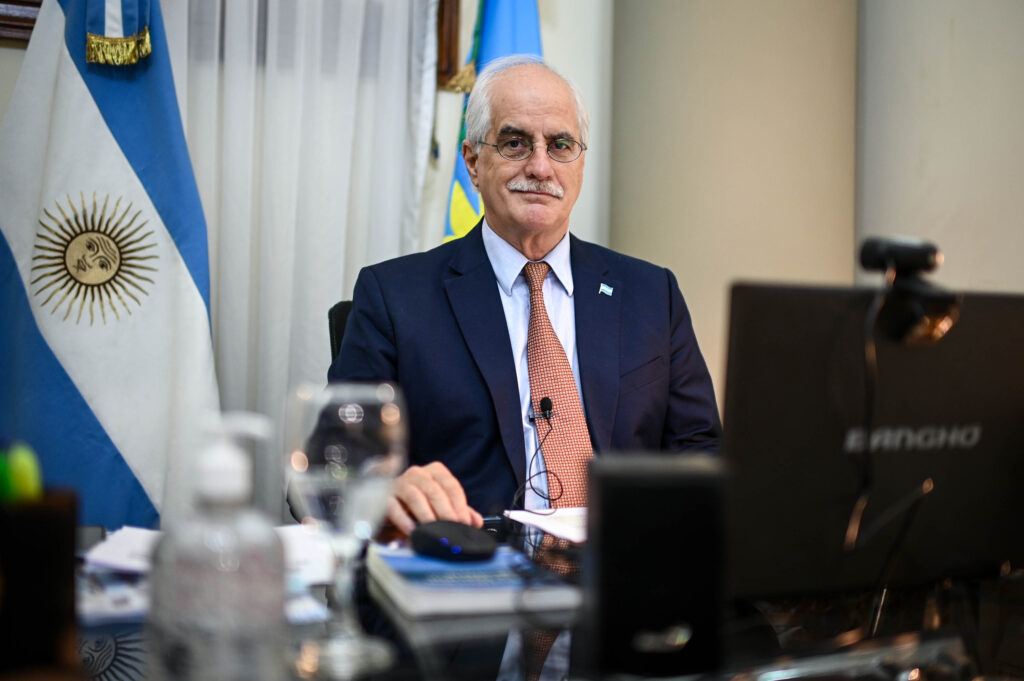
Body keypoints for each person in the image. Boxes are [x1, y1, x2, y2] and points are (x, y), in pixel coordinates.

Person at [328, 54, 721, 538]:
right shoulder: (394, 297)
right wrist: (382, 490)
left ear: (580, 162)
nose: (540, 166)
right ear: (473, 162)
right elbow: (333, 468)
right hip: (471, 565)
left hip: (626, 564)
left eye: (560, 145)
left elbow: (701, 453)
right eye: (515, 143)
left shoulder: (651, 294)